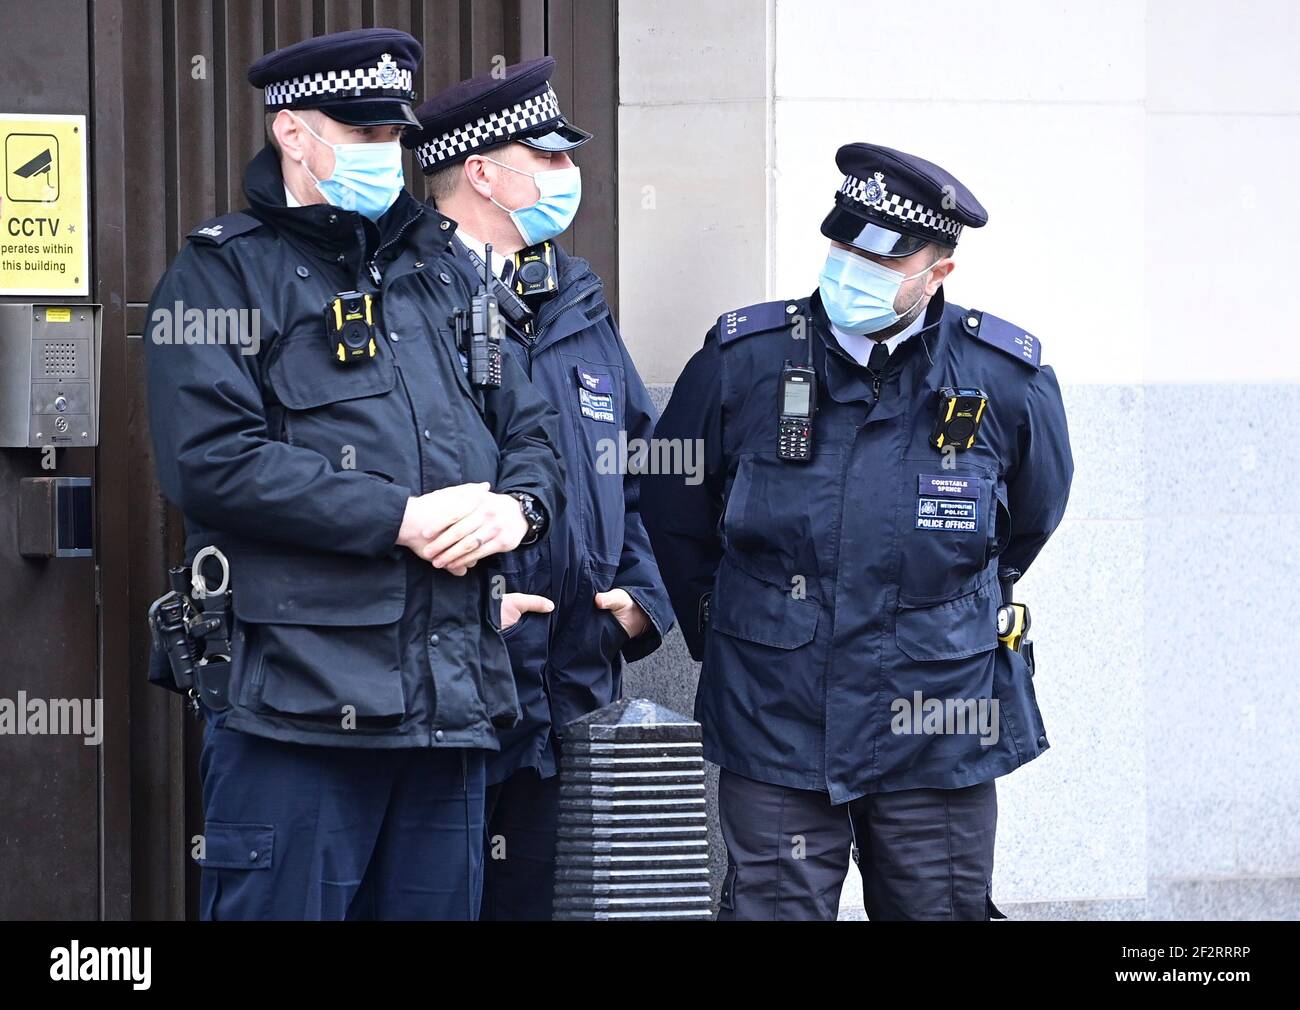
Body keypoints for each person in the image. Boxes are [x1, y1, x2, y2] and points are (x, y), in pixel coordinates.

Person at [143, 28, 564, 920]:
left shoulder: (443, 272)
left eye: (393, 138)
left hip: (449, 706)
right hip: (297, 708)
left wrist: (517, 513)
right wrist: (400, 518)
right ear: (294, 133)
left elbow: (535, 430)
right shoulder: (224, 274)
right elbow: (213, 464)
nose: (387, 156)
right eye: (364, 136)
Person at [642, 142, 1074, 921]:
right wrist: (737, 626)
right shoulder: (745, 362)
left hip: (937, 718)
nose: (849, 270)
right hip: (777, 713)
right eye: (842, 247)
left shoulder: (1004, 379)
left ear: (938, 271)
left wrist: (948, 613)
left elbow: (1032, 518)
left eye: (879, 261)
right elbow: (674, 509)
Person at [403, 56, 673, 920]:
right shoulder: (404, 299)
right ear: (482, 172)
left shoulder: (578, 307)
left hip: (572, 694)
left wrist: (639, 600)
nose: (570, 176)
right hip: (448, 694)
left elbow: (640, 472)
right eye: (548, 158)